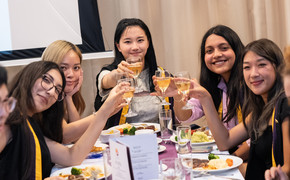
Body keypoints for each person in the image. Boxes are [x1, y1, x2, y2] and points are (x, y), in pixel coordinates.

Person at [0, 61, 126, 179]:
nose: (50, 92)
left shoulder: (30, 124)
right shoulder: (8, 120)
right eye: (46, 80)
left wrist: (104, 113)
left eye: (57, 90)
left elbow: (72, 157)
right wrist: (103, 112)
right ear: (29, 75)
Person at [188, 39, 290, 179]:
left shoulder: (284, 104)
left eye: (261, 65)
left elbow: (288, 168)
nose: (253, 74)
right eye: (247, 67)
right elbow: (225, 142)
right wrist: (205, 99)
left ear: (278, 67)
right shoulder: (261, 109)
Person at [153, 25, 249, 159]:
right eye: (209, 51)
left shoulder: (250, 84)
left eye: (224, 48)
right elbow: (185, 116)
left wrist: (231, 160)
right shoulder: (214, 85)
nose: (216, 55)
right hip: (226, 149)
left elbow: (254, 140)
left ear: (237, 50)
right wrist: (177, 96)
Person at [94, 18, 175, 128]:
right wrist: (117, 75)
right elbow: (106, 81)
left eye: (140, 40)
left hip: (158, 140)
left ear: (148, 43)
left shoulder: (161, 75)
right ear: (118, 46)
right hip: (120, 141)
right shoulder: (109, 72)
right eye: (128, 42)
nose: (135, 47)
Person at [41, 40, 88, 143]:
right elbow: (65, 136)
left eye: (76, 68)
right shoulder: (44, 97)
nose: (71, 74)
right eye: (63, 68)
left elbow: (77, 138)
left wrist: (69, 97)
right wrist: (103, 113)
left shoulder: (66, 95)